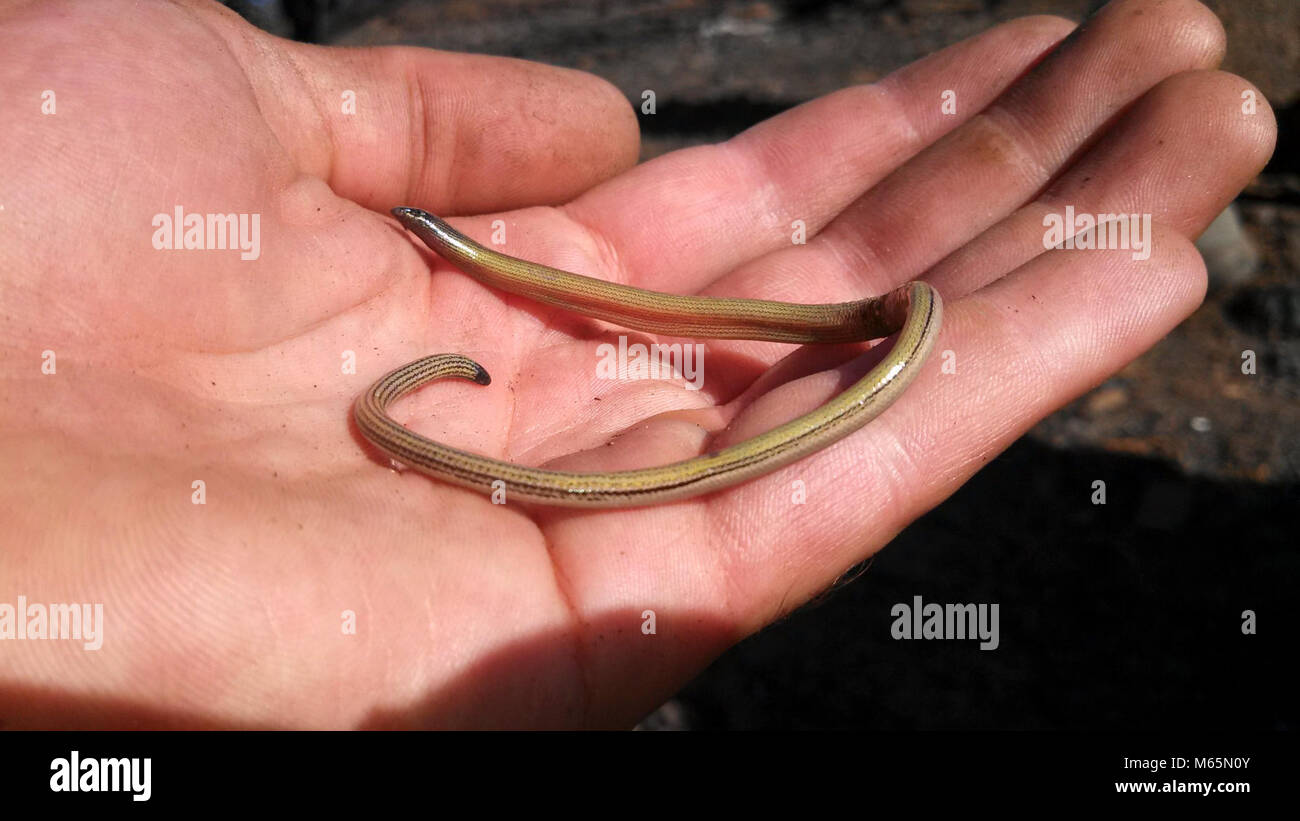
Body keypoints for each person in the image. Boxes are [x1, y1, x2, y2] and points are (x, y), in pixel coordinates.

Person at [0, 0, 1275, 728]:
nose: (426, 236)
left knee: (888, 310)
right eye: (434, 236)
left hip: (884, 321)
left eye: (431, 236)